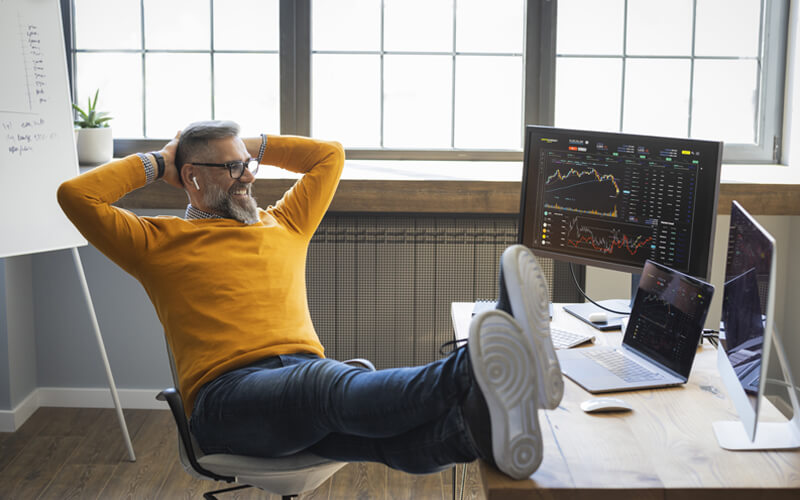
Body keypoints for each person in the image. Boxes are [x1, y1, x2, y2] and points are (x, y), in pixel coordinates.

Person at [57, 120, 563, 480]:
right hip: (226, 401)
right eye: (232, 168)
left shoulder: (284, 221)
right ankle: (483, 365)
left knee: (380, 438)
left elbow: (329, 155)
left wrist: (253, 141)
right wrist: (157, 162)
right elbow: (75, 196)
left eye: (249, 163)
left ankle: (479, 434)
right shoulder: (154, 240)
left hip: (296, 380)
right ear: (192, 178)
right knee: (328, 384)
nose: (250, 176)